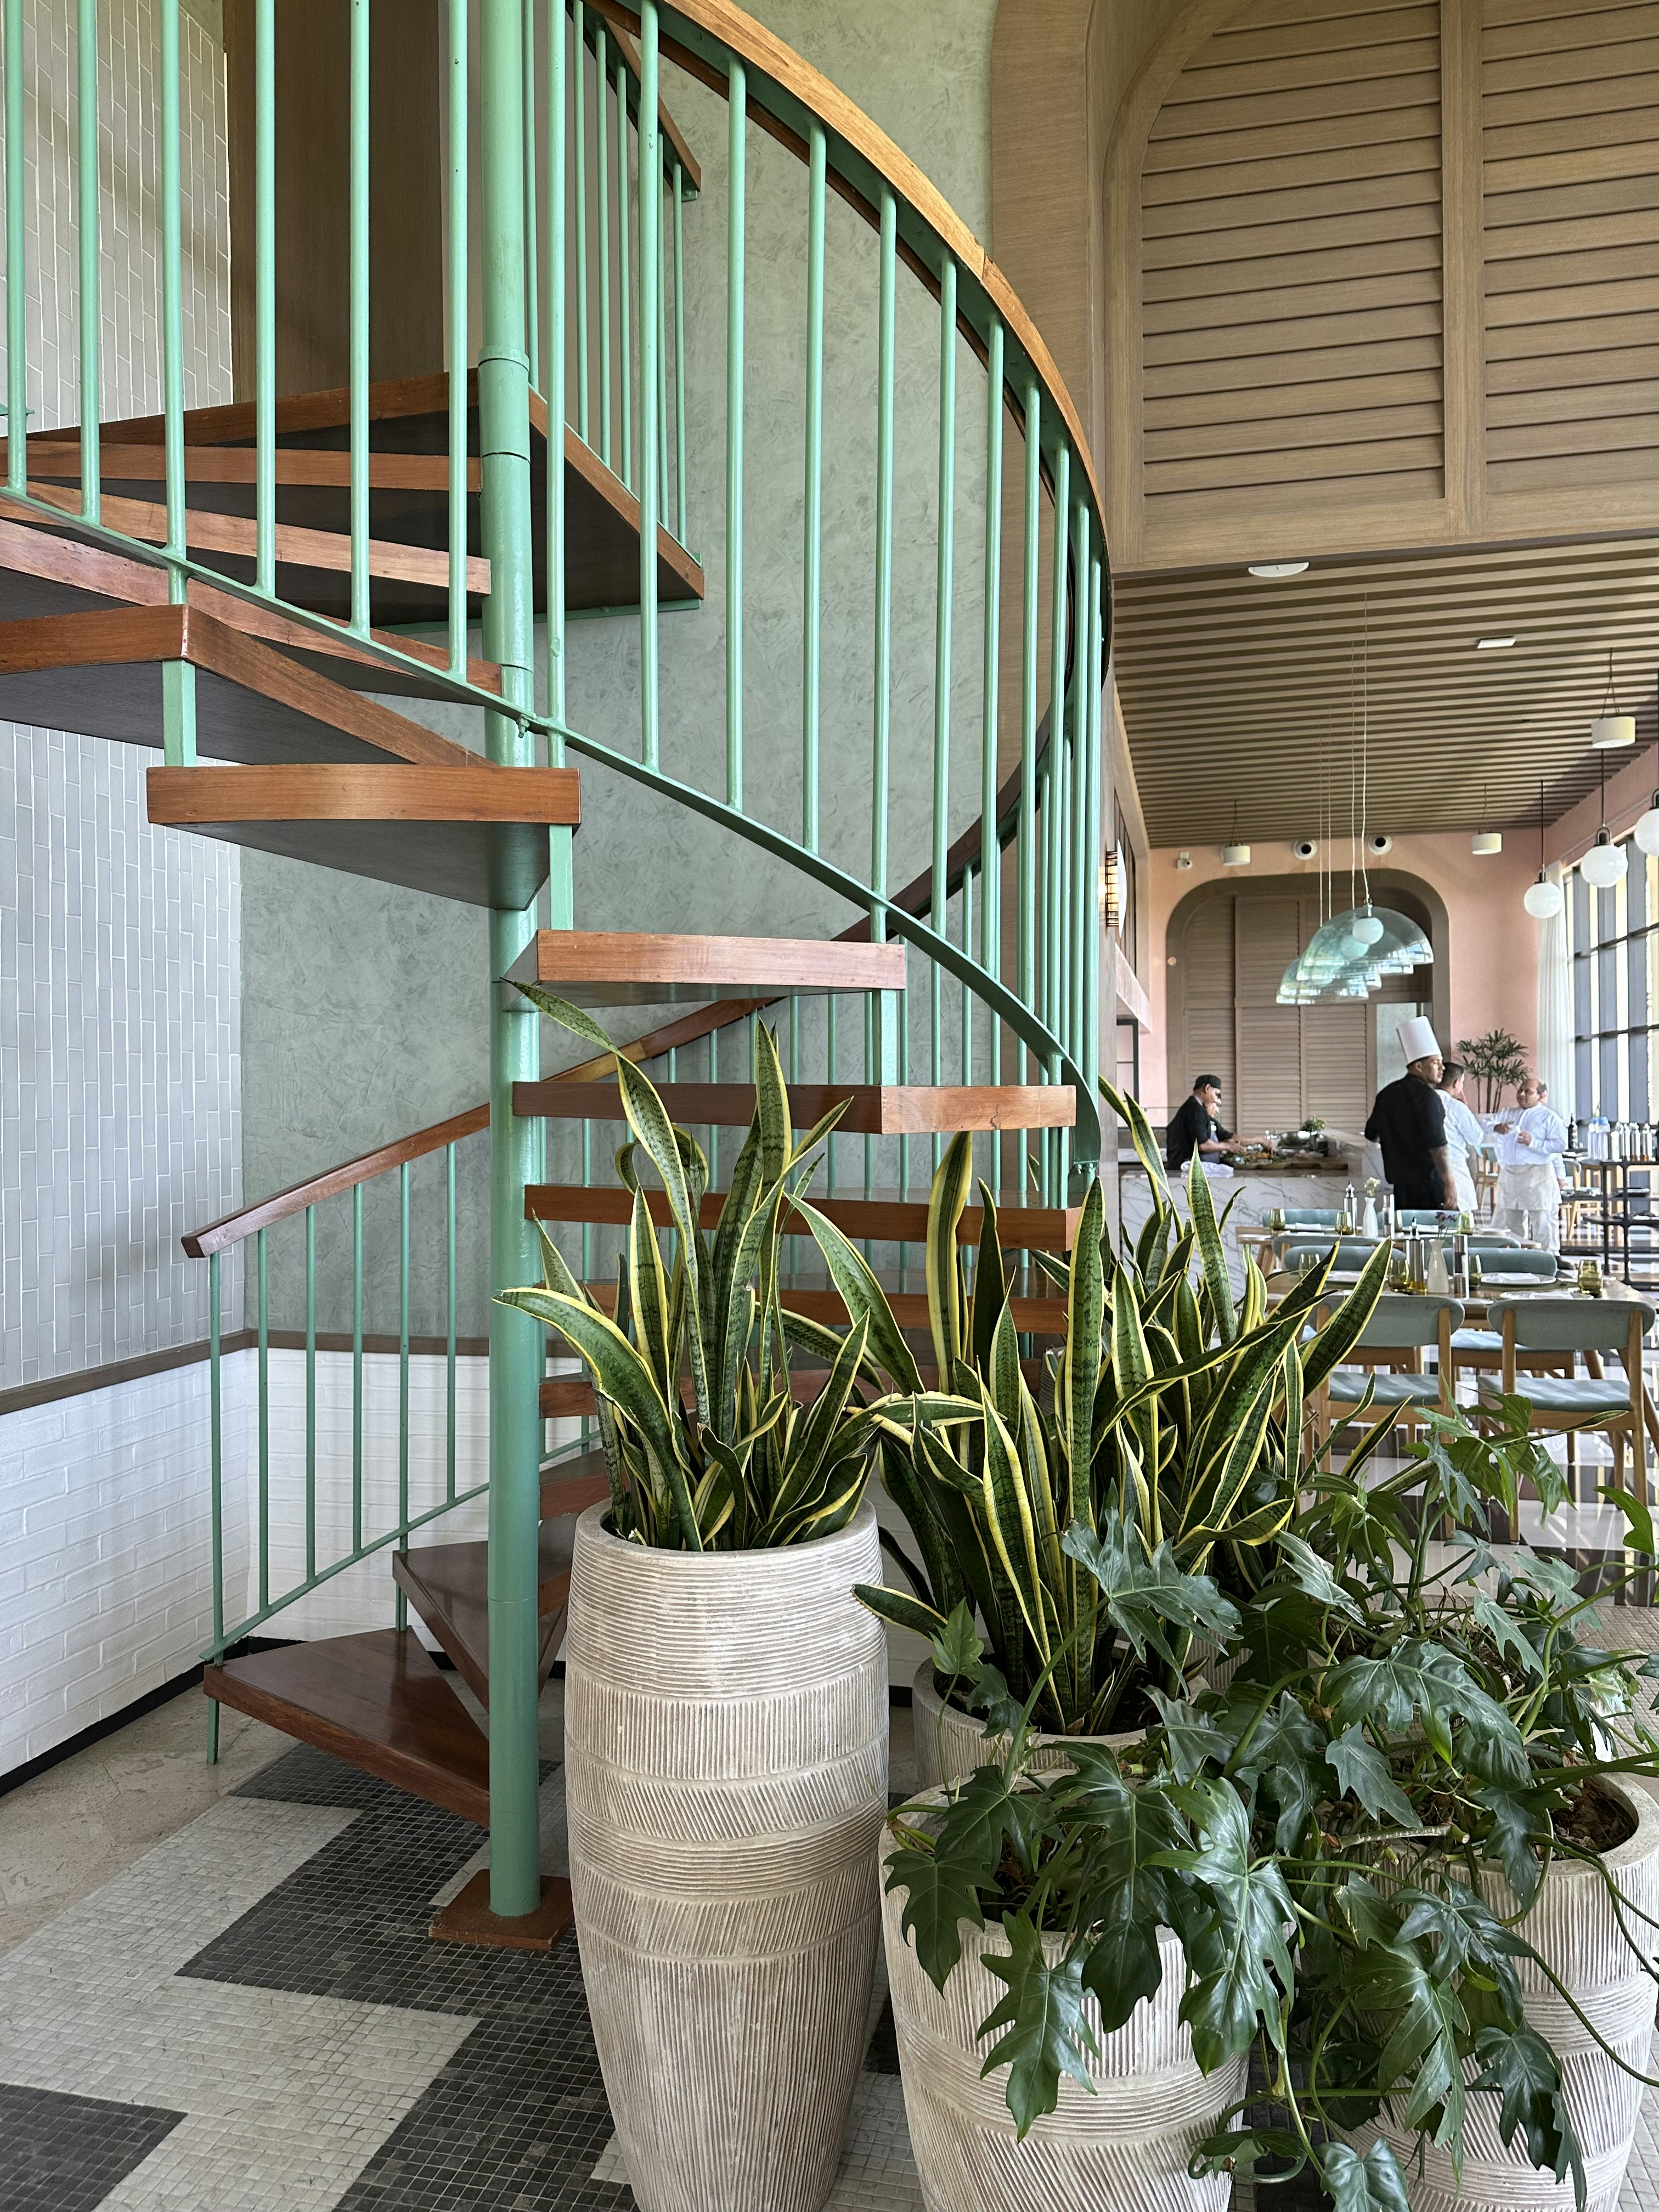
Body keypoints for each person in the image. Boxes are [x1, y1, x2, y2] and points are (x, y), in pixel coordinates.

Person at [1365, 1016, 1453, 1209]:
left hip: (1401, 1189)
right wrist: (1450, 1183)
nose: (1443, 1068)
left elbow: (1371, 1134)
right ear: (1419, 1066)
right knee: (1439, 1229)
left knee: (1404, 1228)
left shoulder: (1386, 1094)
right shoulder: (1429, 1097)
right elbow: (1438, 1147)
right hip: (1430, 1187)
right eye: (1436, 1063)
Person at [1492, 1075, 1568, 1250]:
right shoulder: (1508, 1114)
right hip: (1510, 1174)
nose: (1521, 1094)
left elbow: (1560, 1145)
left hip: (1537, 1175)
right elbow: (1486, 1128)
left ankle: (1548, 1260)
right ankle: (1518, 1260)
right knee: (1512, 1223)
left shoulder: (1550, 1117)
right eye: (1520, 1090)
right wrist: (1496, 1128)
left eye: (1528, 1092)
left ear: (1541, 1096)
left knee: (1542, 1222)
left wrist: (1533, 1142)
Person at [1165, 1073, 1246, 1172]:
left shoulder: (1191, 1107)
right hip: (1185, 1169)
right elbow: (1203, 1145)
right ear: (1207, 1088)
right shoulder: (1195, 1109)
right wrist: (1228, 1146)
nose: (1216, 1100)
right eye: (1216, 1094)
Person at [1436, 1061, 1487, 1218]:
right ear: (1456, 1083)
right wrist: (1465, 1108)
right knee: (1461, 1217)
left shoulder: (1423, 1102)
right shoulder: (1455, 1106)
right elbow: (1476, 1138)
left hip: (1427, 1168)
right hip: (1454, 1166)